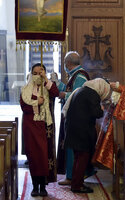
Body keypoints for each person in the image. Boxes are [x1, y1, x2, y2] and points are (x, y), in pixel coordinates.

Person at [63, 78, 111, 193]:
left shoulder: (82, 90)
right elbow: (97, 113)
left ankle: (76, 182)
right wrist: (102, 108)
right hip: (82, 132)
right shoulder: (92, 94)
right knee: (82, 159)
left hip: (74, 130)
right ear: (101, 88)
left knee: (78, 158)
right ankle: (77, 186)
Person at [51, 51, 90, 185]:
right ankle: (70, 174)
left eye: (65, 63)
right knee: (69, 144)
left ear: (68, 63)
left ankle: (72, 176)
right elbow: (69, 90)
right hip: (72, 115)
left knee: (72, 146)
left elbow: (77, 95)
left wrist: (63, 95)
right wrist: (57, 83)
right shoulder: (75, 75)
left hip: (76, 117)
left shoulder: (80, 76)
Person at [20, 63, 59, 197]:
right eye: (35, 73)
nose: (37, 76)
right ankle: (35, 185)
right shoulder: (26, 89)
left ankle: (43, 185)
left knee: (44, 156)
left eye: (40, 73)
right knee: (33, 156)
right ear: (31, 74)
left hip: (44, 126)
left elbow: (56, 93)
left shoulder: (47, 87)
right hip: (30, 126)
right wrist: (38, 103)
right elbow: (24, 107)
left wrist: (46, 79)